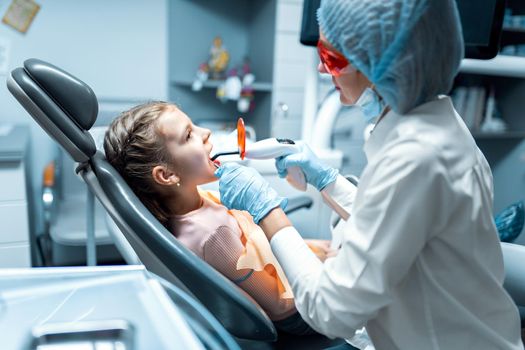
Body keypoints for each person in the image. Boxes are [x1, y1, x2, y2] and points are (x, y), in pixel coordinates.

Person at [214, 0, 524, 349]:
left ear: (383, 63)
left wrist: (267, 212)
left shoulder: (414, 158)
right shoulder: (439, 129)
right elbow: (399, 221)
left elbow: (331, 310)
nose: (320, 69)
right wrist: (326, 179)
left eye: (331, 58)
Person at [103, 101, 334, 335]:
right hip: (299, 315)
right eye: (189, 135)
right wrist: (327, 270)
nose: (206, 133)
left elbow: (257, 244)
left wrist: (312, 249)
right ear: (167, 175)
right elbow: (280, 305)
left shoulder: (199, 201)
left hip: (294, 281)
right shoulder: (215, 236)